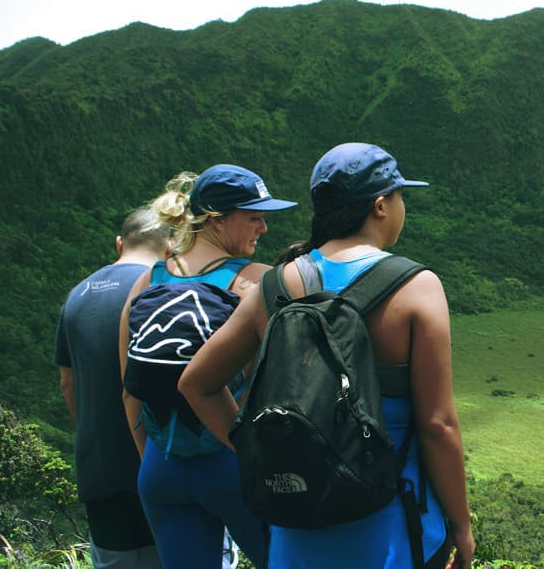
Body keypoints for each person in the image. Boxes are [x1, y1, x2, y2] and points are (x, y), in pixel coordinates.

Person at [179, 142, 475, 569]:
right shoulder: (416, 287)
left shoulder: (275, 285)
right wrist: (461, 526)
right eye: (400, 196)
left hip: (294, 536)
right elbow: (437, 425)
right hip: (394, 535)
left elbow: (197, 384)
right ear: (380, 206)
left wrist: (257, 452)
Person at [118, 163, 297, 569]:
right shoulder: (256, 282)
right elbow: (289, 386)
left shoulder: (148, 281)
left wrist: (157, 462)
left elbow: (130, 390)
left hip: (160, 470)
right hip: (234, 463)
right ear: (216, 220)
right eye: (254, 217)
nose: (263, 228)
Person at [56, 208, 170, 569]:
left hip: (99, 470)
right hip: (158, 464)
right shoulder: (162, 288)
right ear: (171, 247)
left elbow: (67, 382)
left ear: (119, 243)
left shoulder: (77, 295)